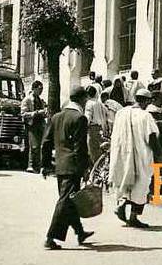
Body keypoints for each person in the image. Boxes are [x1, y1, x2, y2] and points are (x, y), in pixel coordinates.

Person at [41, 85, 94, 250]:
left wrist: (45, 164)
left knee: (70, 200)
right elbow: (80, 147)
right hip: (73, 166)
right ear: (82, 99)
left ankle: (80, 231)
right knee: (65, 201)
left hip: (60, 165)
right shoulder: (80, 118)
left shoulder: (56, 117)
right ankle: (50, 237)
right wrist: (85, 168)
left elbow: (46, 142)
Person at [108, 87, 159, 228]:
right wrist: (159, 154)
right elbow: (152, 137)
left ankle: (122, 205)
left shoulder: (121, 113)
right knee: (141, 186)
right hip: (141, 157)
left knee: (126, 182)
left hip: (123, 156)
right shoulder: (146, 116)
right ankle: (133, 217)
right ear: (147, 101)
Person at [20, 80, 47, 173]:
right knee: (33, 145)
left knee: (39, 145)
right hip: (32, 125)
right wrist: (36, 113)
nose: (41, 91)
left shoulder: (40, 100)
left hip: (40, 124)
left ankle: (38, 166)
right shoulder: (27, 100)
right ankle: (31, 165)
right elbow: (23, 114)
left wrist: (44, 113)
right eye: (39, 89)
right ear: (34, 88)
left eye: (42, 89)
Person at [83, 84, 110, 165]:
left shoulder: (89, 104)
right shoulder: (99, 103)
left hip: (92, 128)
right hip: (100, 128)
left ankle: (94, 168)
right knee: (99, 151)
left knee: (92, 151)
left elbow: (87, 118)